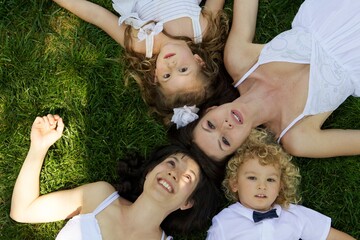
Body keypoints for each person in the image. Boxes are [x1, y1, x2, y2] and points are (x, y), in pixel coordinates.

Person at [175, 0, 360, 161]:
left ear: (211, 110)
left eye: (211, 125)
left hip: (335, 10)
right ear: (239, 147)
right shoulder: (297, 137)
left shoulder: (239, 61)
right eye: (225, 141)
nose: (225, 126)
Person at [10, 114, 223, 239]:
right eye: (171, 163)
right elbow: (23, 211)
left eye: (188, 178)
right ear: (150, 172)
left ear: (187, 203)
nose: (174, 173)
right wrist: (39, 147)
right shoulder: (99, 197)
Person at [51, 0, 230, 124]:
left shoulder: (141, 44)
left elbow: (98, 16)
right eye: (183, 69)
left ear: (155, 76)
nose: (172, 65)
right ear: (199, 61)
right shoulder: (203, 28)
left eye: (167, 76)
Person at [206, 128, 356, 240]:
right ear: (234, 184)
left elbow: (329, 235)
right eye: (252, 178)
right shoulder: (224, 222)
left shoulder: (292, 214)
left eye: (270, 180)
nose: (262, 186)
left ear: (280, 186)